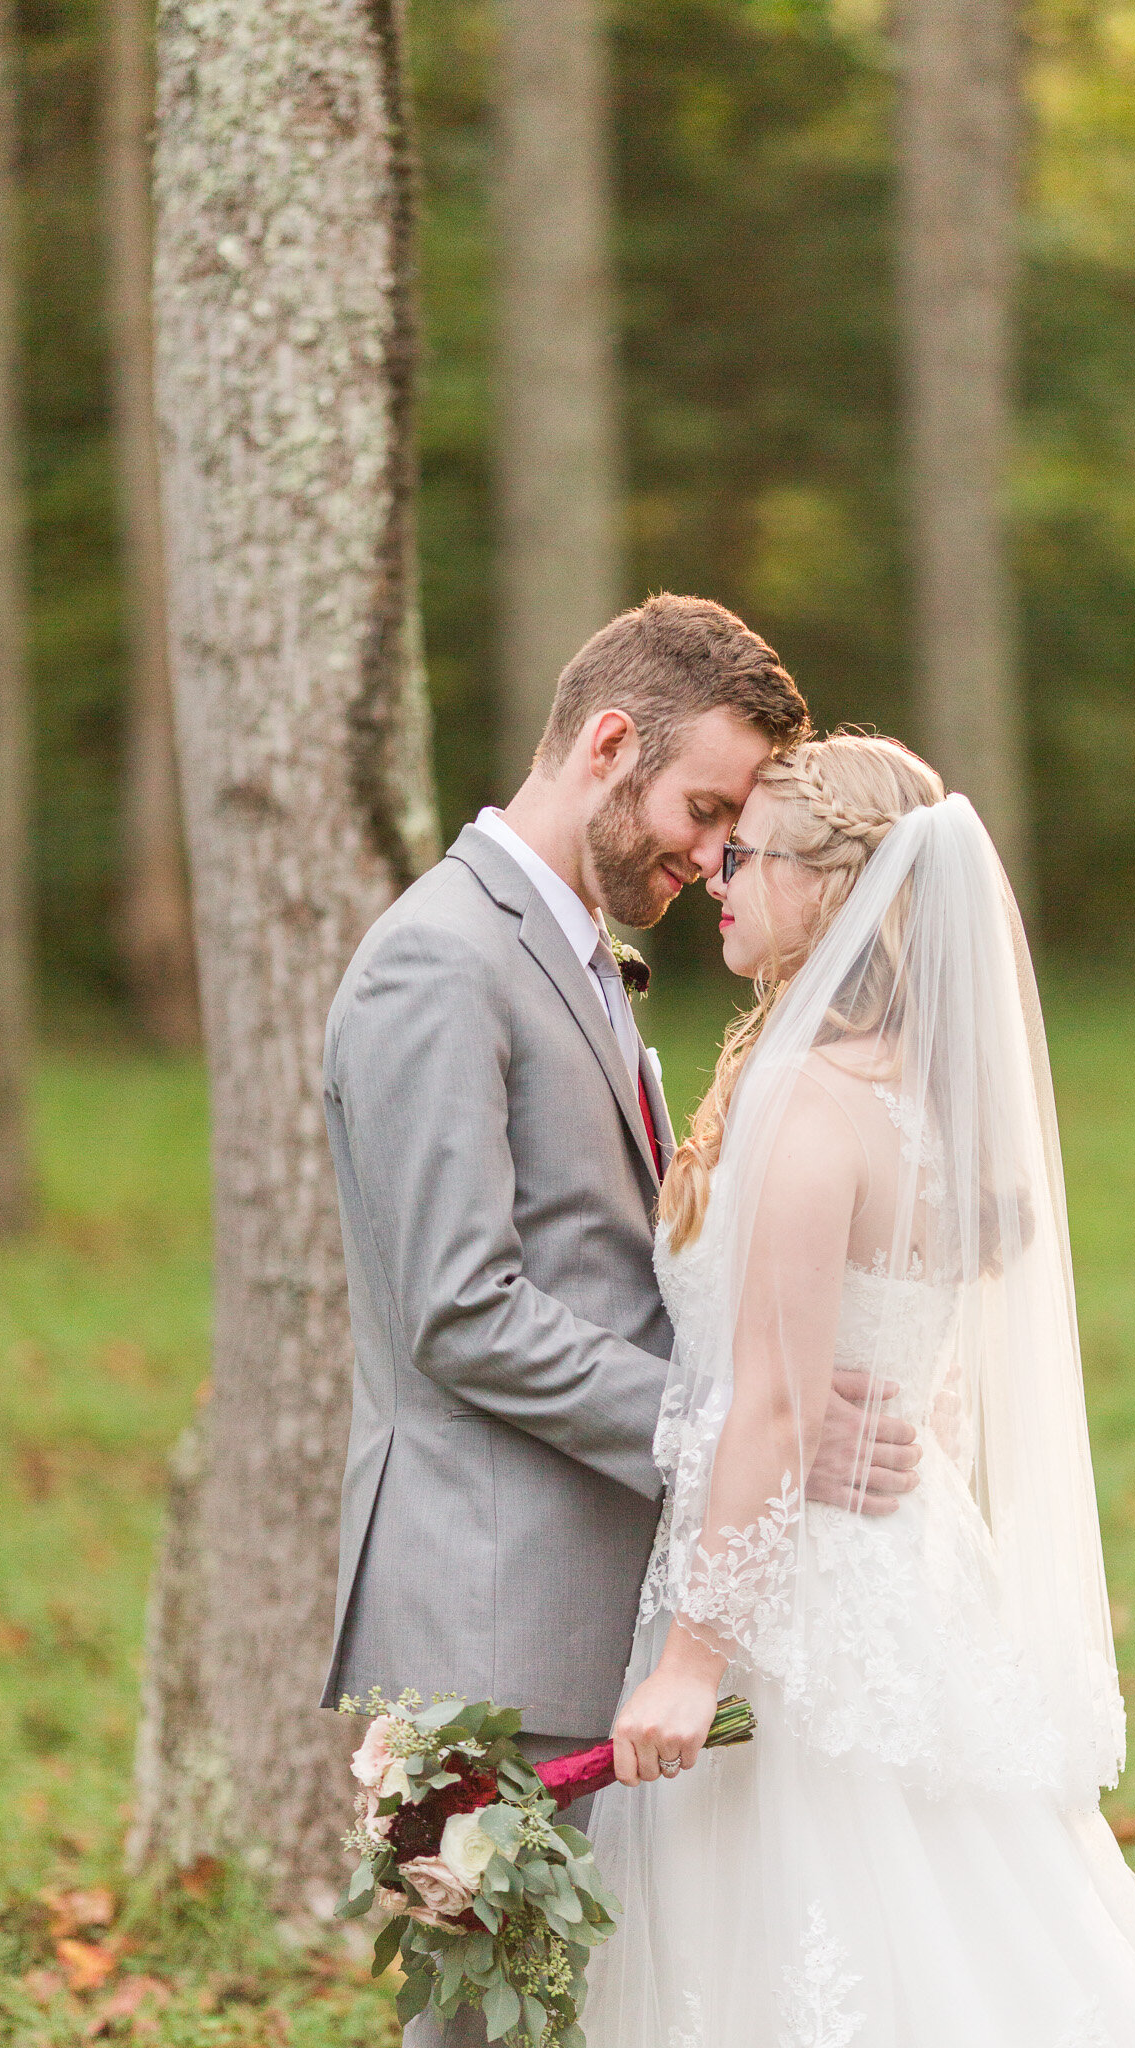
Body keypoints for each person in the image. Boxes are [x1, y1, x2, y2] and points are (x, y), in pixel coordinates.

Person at [584, 732, 1135, 2048]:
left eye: (752, 855)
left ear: (828, 890)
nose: (720, 871)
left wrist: (689, 1663)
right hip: (909, 1568)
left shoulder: (808, 1103)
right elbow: (918, 1386)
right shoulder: (924, 1097)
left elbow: (772, 1406)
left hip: (789, 1604)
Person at [317, 599, 922, 2046]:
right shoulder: (437, 961)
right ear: (606, 746)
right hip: (493, 1596)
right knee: (493, 2026)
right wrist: (725, 1439)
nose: (715, 855)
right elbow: (461, 1313)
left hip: (594, 1577)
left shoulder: (571, 954)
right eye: (705, 808)